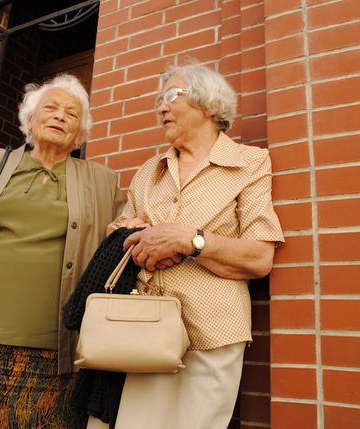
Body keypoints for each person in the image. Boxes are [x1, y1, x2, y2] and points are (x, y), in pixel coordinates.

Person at [0, 73, 125, 428]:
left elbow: (119, 244)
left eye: (71, 113)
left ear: (79, 135)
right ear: (30, 121)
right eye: (51, 108)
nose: (60, 115)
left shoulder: (103, 182)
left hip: (60, 352)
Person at [96, 62, 285, 429]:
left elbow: (260, 257)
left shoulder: (249, 164)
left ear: (210, 104)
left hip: (211, 335)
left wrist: (190, 240)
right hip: (140, 332)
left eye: (171, 96)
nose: (161, 108)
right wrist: (132, 234)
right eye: (159, 100)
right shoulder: (150, 171)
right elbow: (117, 232)